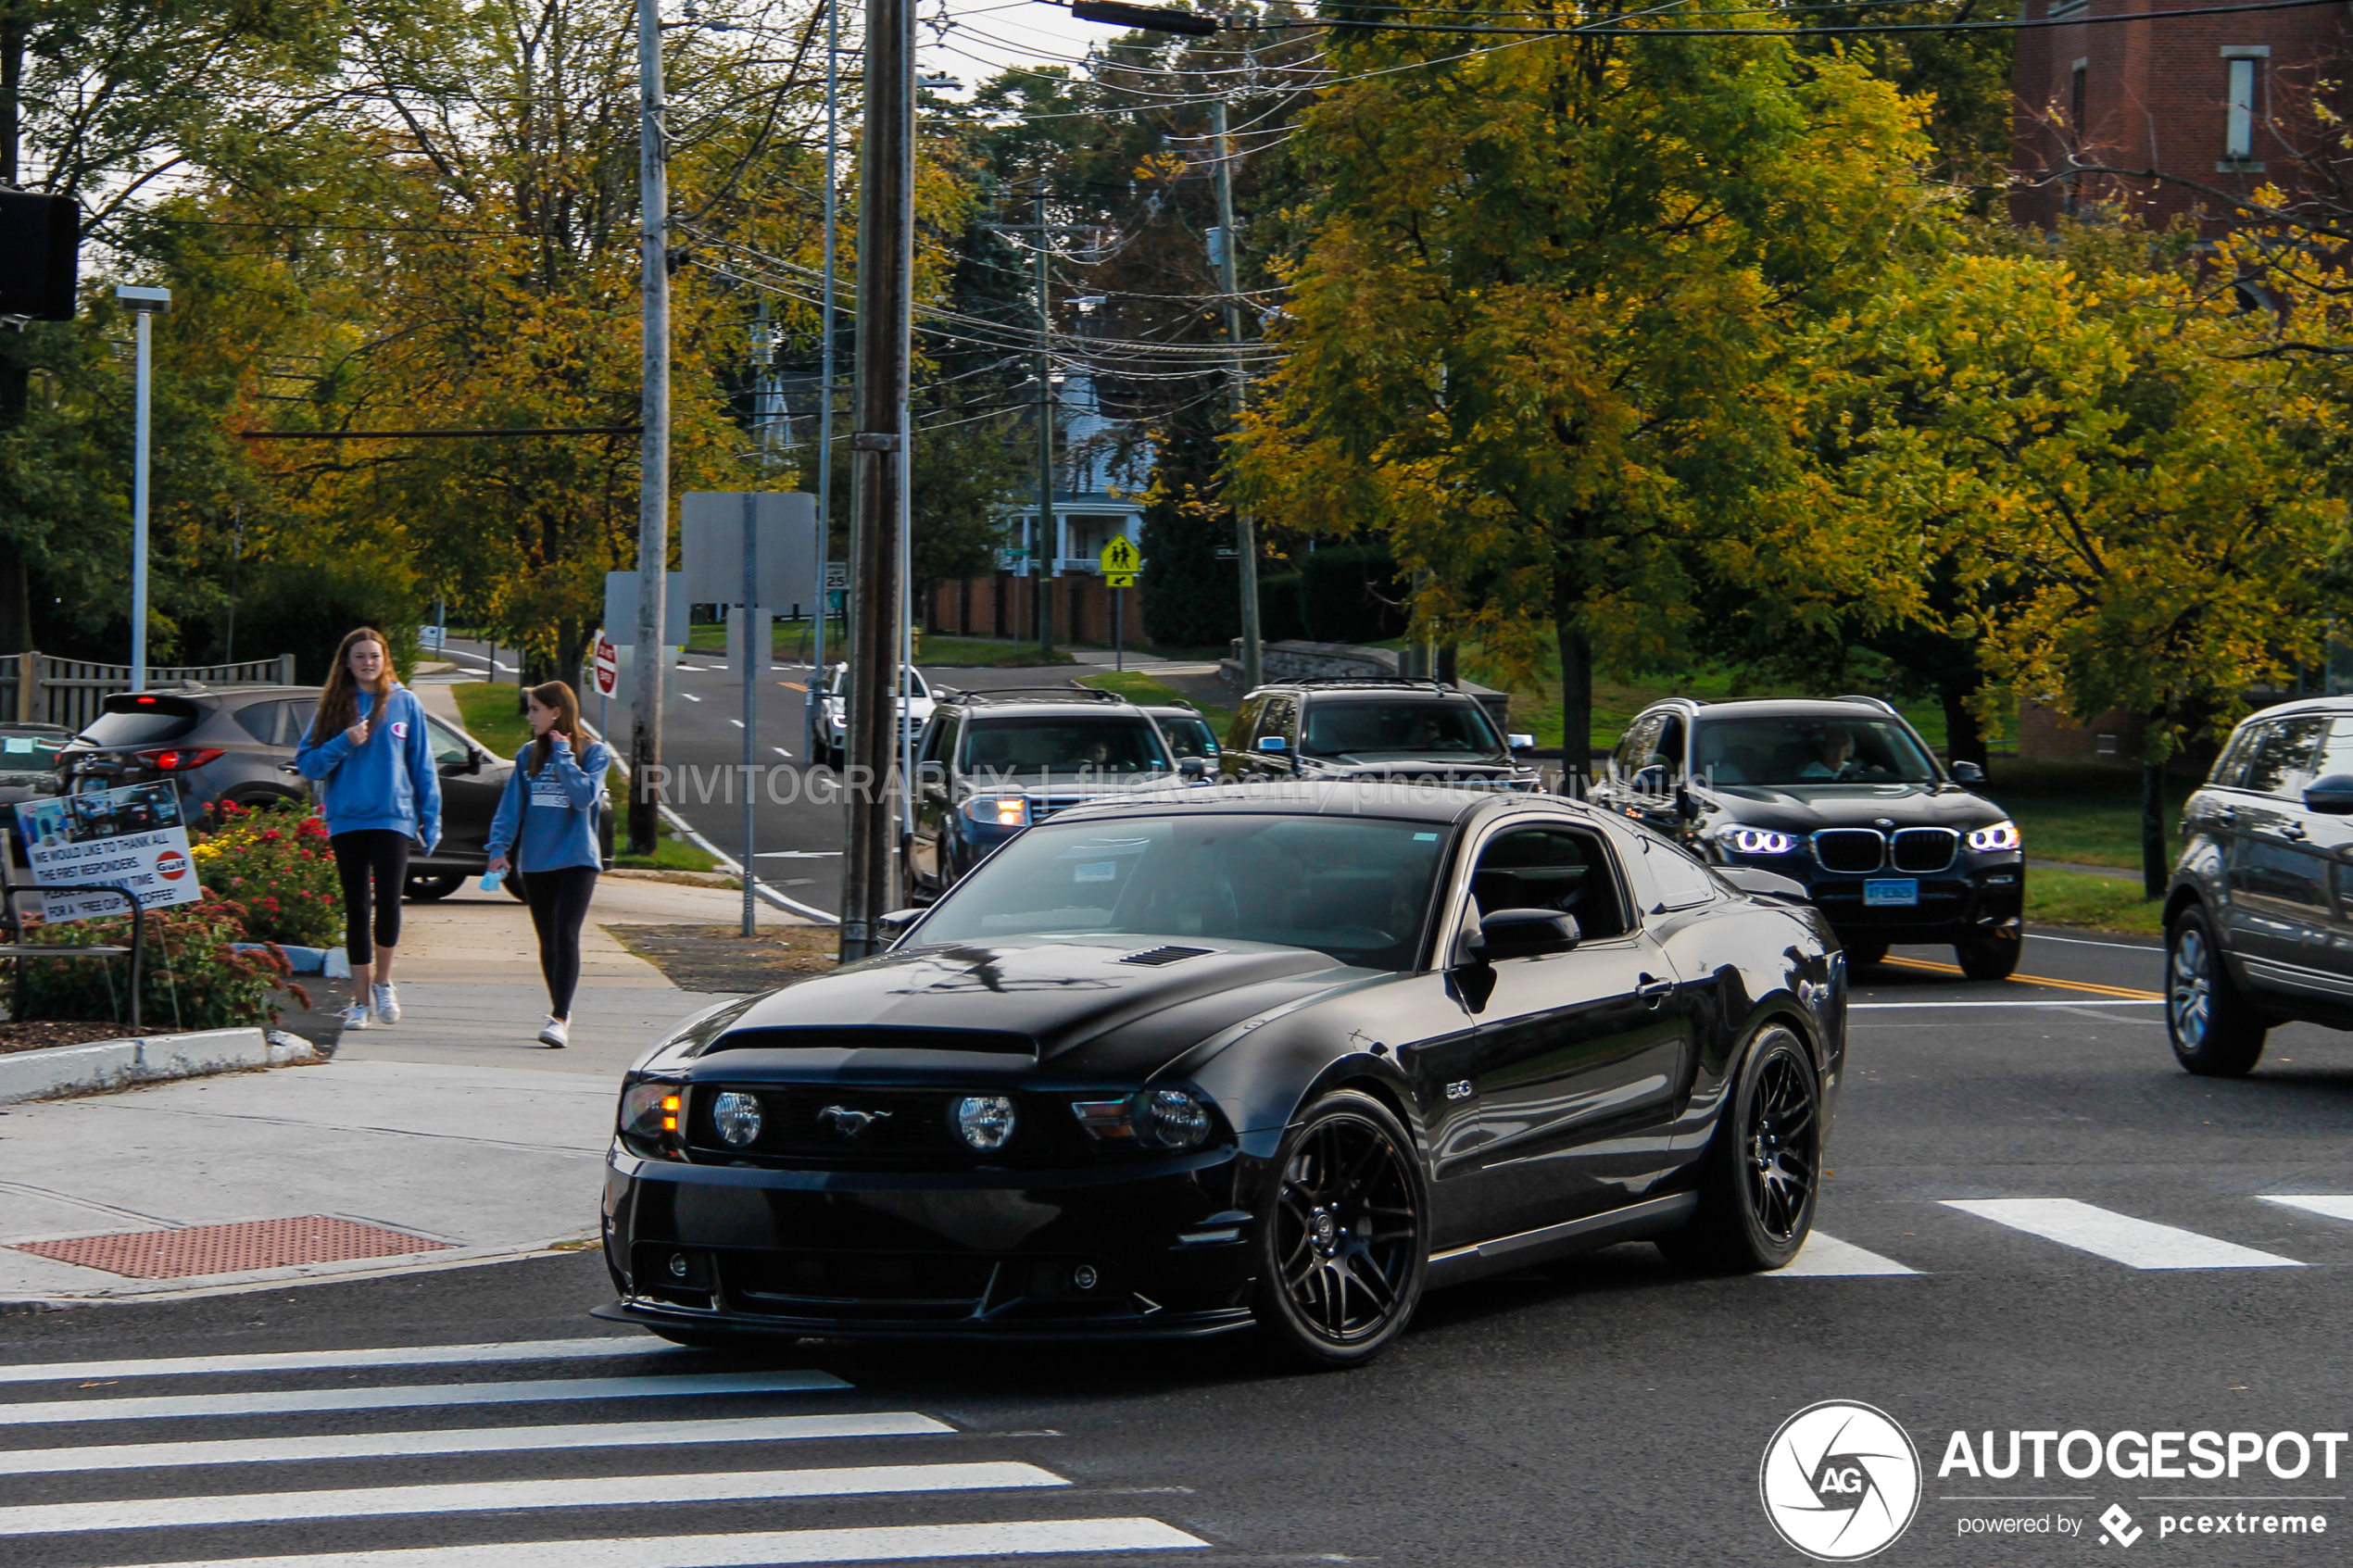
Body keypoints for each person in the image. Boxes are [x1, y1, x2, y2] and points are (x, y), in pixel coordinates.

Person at [296, 627, 442, 1032]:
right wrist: (343, 741)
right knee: (357, 908)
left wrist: (432, 816)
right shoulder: (334, 706)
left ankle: (383, 982)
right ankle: (359, 1002)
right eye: (359, 656)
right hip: (348, 818)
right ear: (347, 662)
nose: (367, 663)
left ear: (385, 659)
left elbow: (422, 766)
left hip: (393, 816)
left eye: (374, 656)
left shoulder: (404, 702)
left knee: (389, 903)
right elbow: (307, 764)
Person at [484, 681, 610, 1048]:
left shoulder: (594, 752)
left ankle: (560, 1016)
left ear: (556, 711)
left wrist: (564, 755)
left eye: (535, 709)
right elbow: (511, 808)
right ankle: (559, 1010)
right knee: (548, 941)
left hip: (577, 860)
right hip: (537, 862)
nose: (529, 716)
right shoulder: (527, 755)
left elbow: (584, 797)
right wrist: (498, 848)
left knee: (566, 934)